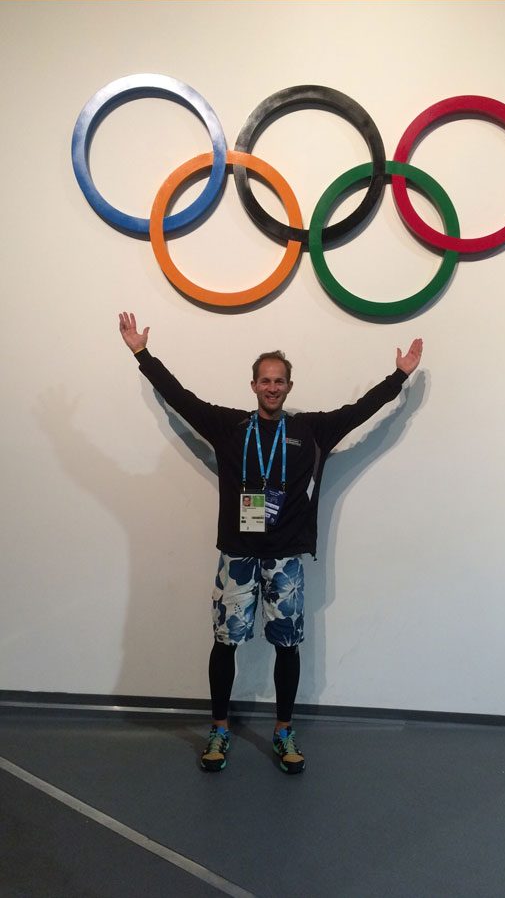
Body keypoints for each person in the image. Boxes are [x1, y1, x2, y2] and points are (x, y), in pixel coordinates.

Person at [119, 311, 423, 774]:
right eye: (265, 380)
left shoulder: (310, 430)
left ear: (289, 386)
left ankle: (283, 731)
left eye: (279, 380)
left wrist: (398, 377)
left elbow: (360, 411)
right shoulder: (229, 427)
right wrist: (143, 353)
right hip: (238, 556)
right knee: (225, 643)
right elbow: (180, 398)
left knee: (287, 646)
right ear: (253, 385)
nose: (272, 387)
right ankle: (219, 728)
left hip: (285, 561)